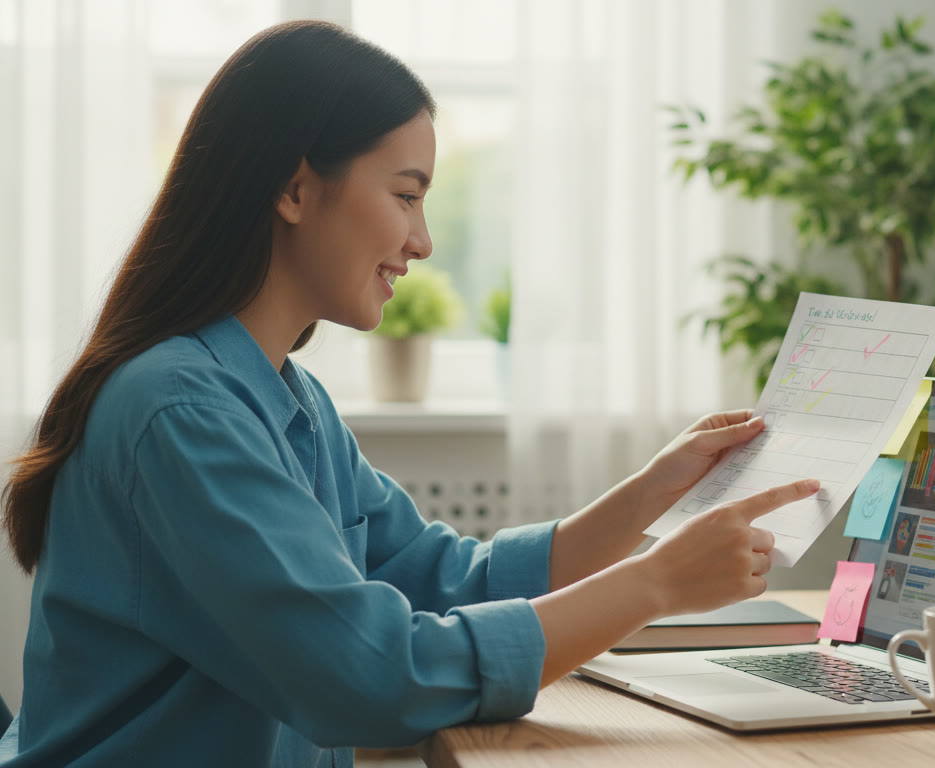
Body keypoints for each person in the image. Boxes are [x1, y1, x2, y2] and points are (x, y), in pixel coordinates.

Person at [0, 21, 817, 768]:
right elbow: (369, 680)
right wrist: (657, 584)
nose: (421, 241)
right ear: (293, 189)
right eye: (405, 194)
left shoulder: (289, 401)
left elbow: (445, 579)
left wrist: (650, 495)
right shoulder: (179, 412)